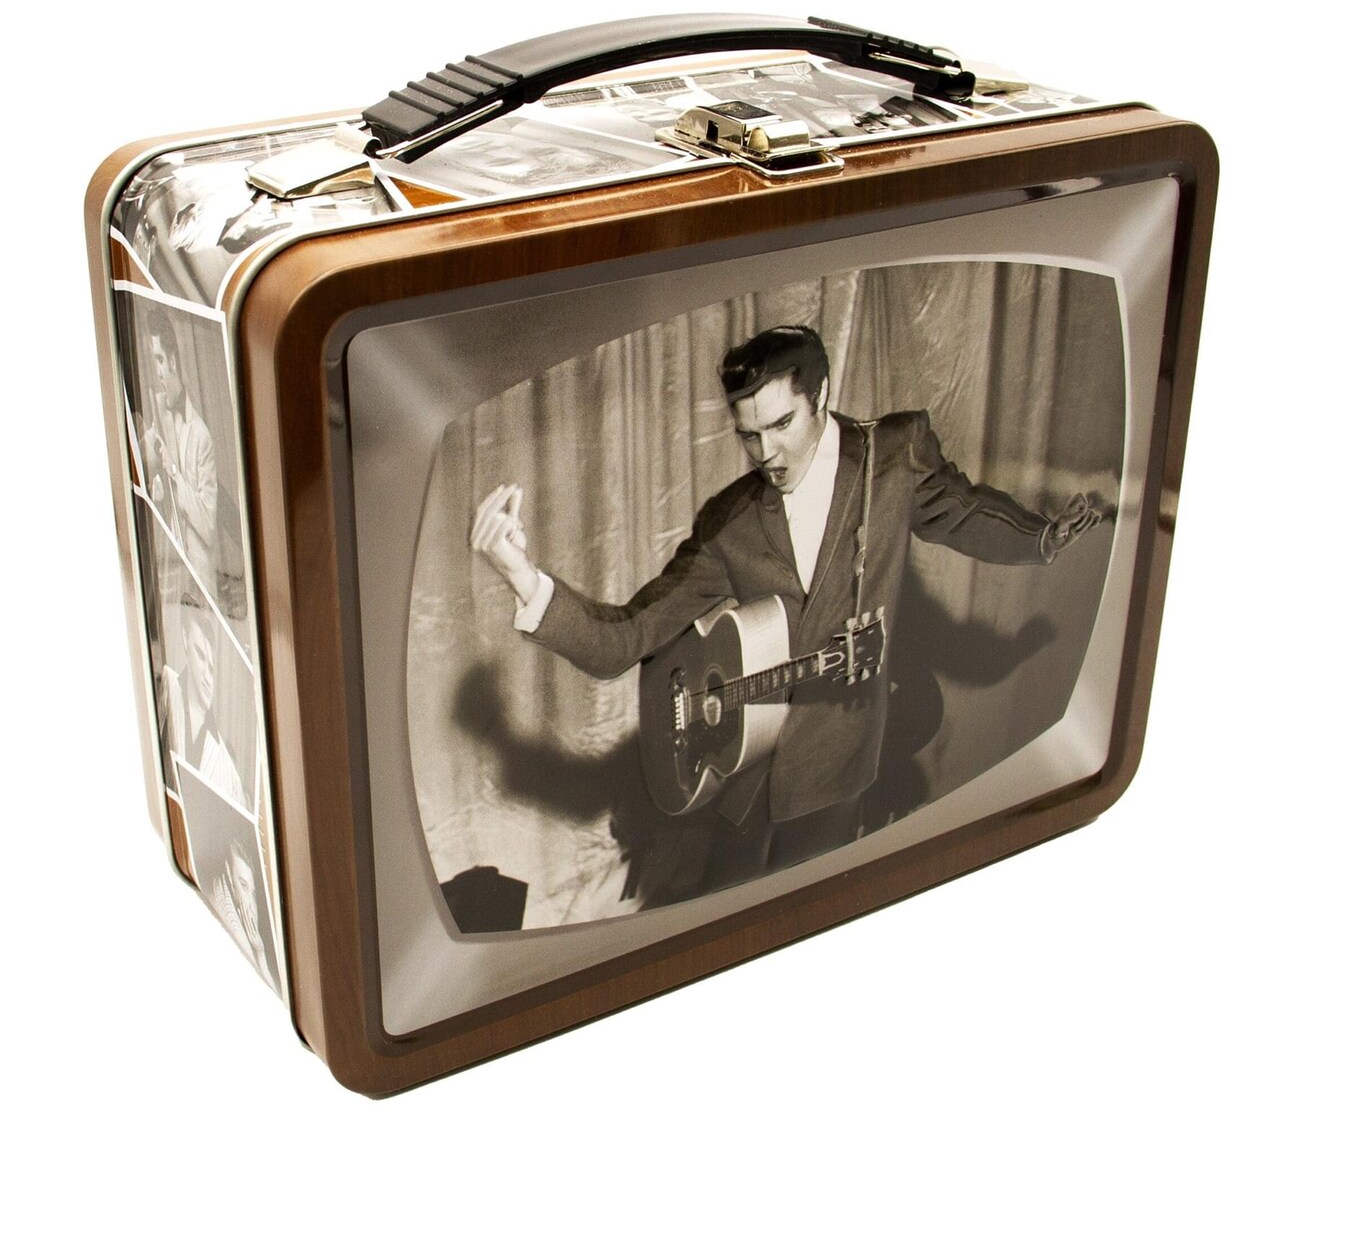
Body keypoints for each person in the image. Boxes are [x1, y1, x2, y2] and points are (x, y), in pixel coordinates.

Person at [470, 324, 1099, 894]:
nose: (766, 452)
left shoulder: (890, 460)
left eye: (782, 424)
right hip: (740, 780)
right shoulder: (731, 522)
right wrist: (522, 574)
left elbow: (965, 514)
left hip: (834, 772)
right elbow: (626, 638)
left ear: (820, 395)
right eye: (749, 435)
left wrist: (1043, 537)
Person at [141, 308, 218, 593]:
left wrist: (173, 471)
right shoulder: (157, 410)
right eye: (153, 361)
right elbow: (139, 467)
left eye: (160, 360)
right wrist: (155, 484)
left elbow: (207, 524)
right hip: (172, 573)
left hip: (200, 580)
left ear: (172, 360)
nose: (157, 371)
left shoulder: (201, 436)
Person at [158, 595, 248, 810]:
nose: (207, 677)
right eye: (200, 655)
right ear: (185, 641)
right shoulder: (167, 686)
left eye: (212, 668)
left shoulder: (228, 768)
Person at [211, 837, 279, 993]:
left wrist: (260, 951)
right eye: (243, 885)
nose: (250, 904)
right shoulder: (223, 903)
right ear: (229, 873)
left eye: (253, 894)